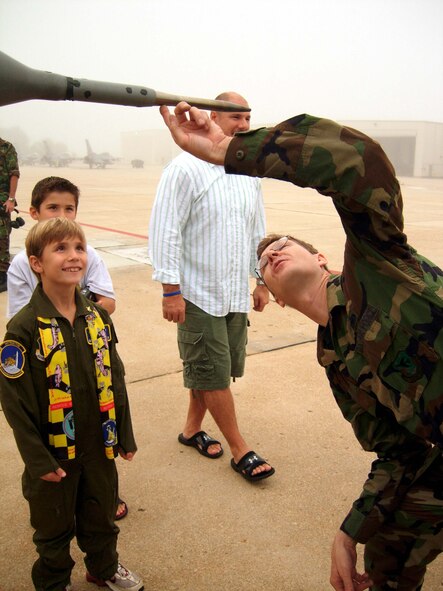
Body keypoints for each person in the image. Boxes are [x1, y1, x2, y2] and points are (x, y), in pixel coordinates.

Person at [160, 103, 443, 590]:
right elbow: (398, 453)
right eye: (264, 260)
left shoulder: (375, 263)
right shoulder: (334, 359)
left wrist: (231, 150)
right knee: (386, 556)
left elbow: (359, 162)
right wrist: (349, 531)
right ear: (277, 299)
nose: (270, 251)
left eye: (283, 244)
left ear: (321, 257)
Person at [0, 217, 143, 591]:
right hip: (54, 453)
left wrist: (123, 434)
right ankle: (53, 580)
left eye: (79, 248)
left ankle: (103, 567)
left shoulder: (97, 317)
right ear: (36, 263)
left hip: (98, 445)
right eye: (60, 249)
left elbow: (116, 378)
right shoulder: (24, 327)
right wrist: (38, 459)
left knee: (101, 514)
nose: (73, 256)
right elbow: (15, 403)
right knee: (53, 525)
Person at [149, 92, 274, 482]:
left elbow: (257, 229)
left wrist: (261, 280)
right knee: (213, 372)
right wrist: (171, 289)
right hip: (197, 292)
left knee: (213, 369)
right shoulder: (184, 169)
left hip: (233, 290)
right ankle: (241, 450)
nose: (244, 125)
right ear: (213, 117)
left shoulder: (247, 171)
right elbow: (166, 228)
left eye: (248, 118)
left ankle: (190, 431)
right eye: (236, 117)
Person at [6, 176, 129, 521]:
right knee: (52, 431)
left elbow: (107, 303)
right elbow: (18, 318)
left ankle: (103, 494)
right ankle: (49, 485)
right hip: (46, 358)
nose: (61, 215)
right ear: (34, 212)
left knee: (92, 425)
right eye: (52, 208)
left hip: (86, 349)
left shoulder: (85, 254)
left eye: (69, 209)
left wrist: (79, 310)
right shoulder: (22, 264)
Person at [0, 136, 20, 292]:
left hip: (2, 200)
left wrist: (11, 199)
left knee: (1, 237)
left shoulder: (6, 148)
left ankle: (2, 277)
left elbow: (14, 173)